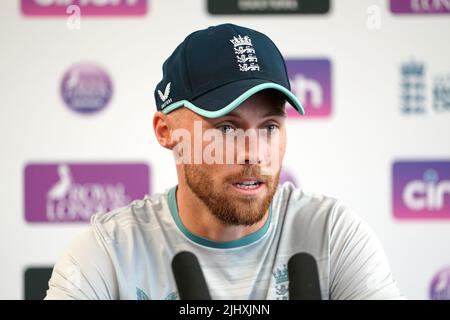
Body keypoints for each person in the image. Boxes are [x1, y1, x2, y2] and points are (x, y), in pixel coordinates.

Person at [45, 23, 403, 300]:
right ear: (166, 130)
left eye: (270, 126)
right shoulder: (106, 254)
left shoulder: (333, 235)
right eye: (227, 128)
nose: (254, 152)